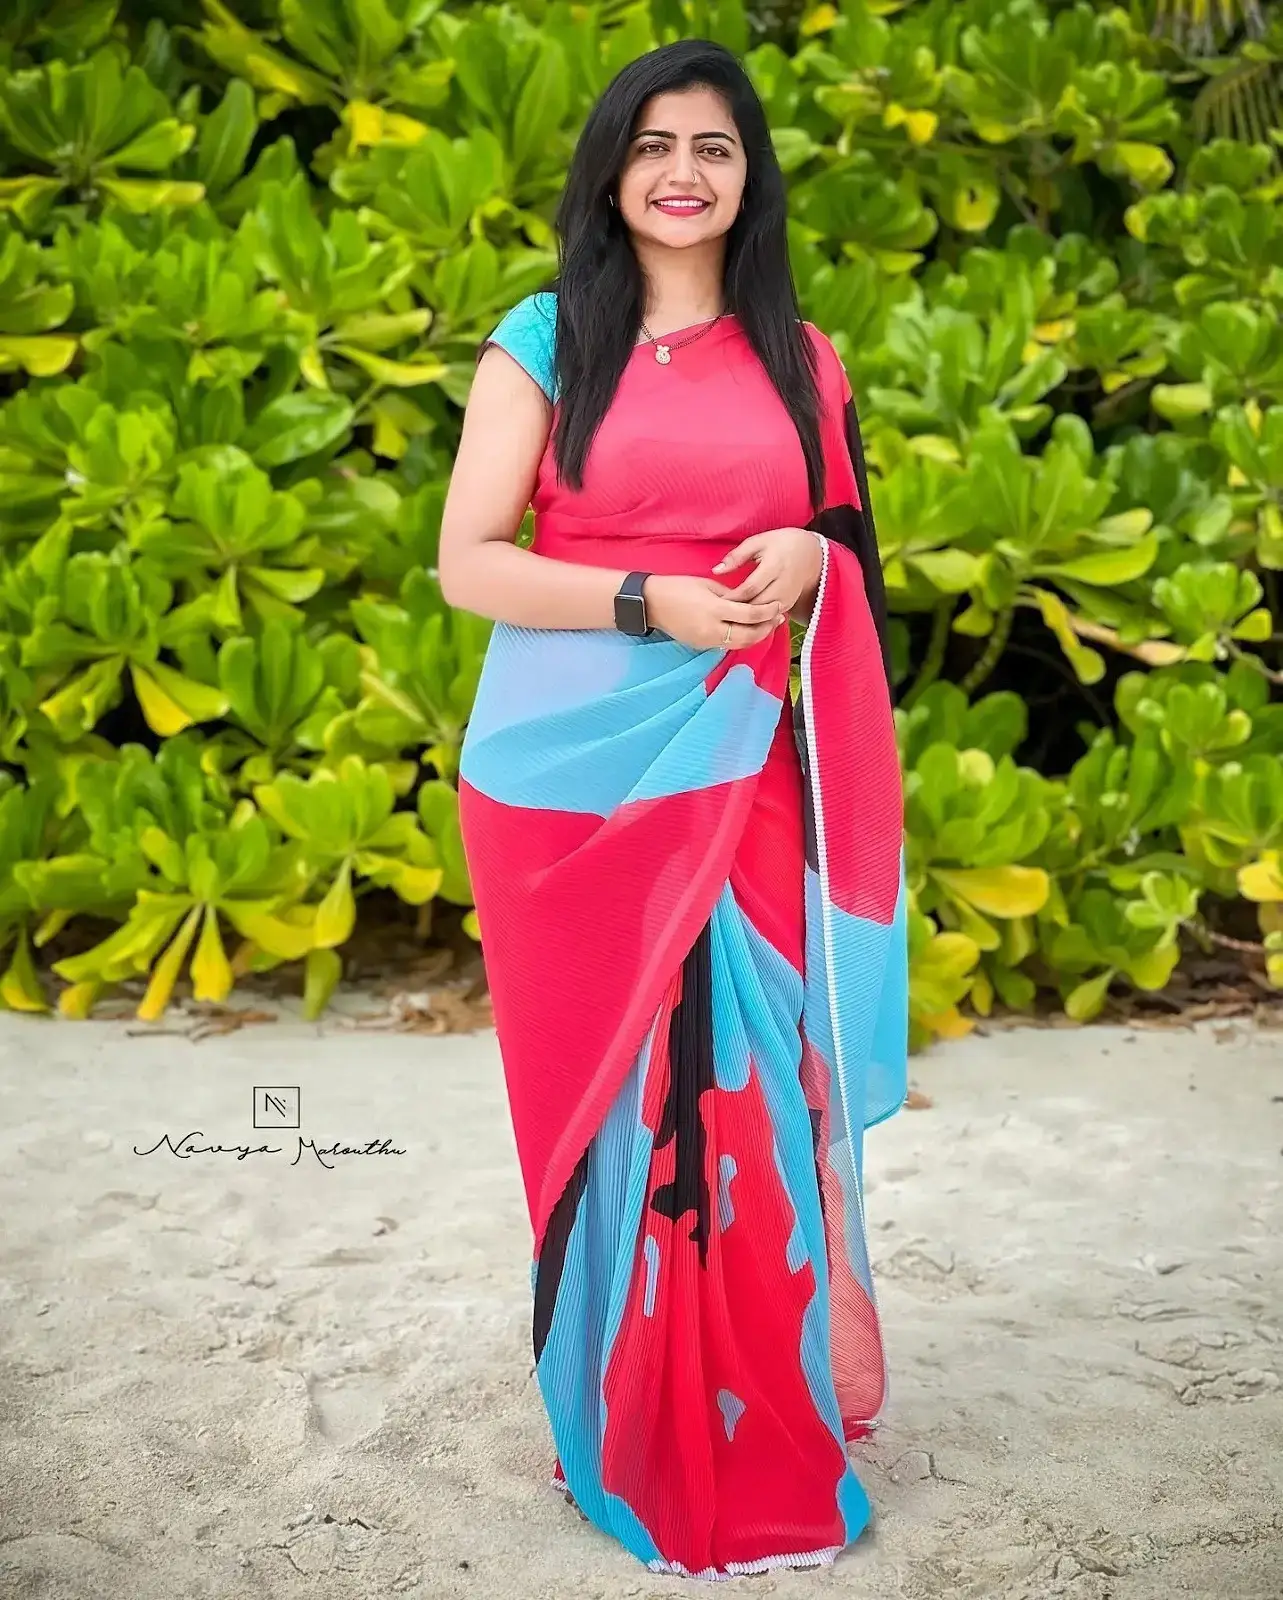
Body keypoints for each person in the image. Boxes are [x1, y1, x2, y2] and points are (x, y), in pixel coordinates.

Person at [439, 35, 907, 1582]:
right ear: (611, 171)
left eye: (713, 146)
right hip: (569, 784)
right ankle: (622, 1409)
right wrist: (648, 601)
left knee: (755, 1075)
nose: (683, 172)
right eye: (652, 147)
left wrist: (810, 561)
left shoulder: (803, 357)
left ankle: (760, 1399)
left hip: (749, 768)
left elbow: (840, 543)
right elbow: (471, 564)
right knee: (614, 1102)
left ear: (749, 175)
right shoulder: (542, 336)